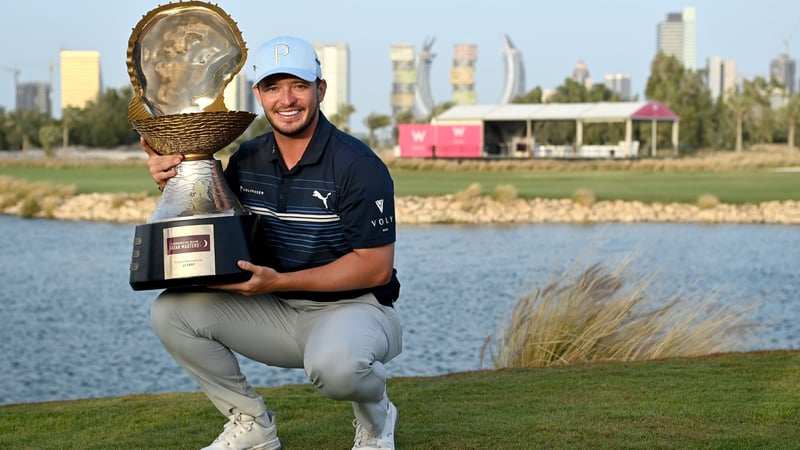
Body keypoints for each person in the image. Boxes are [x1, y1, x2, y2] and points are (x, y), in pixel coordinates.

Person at [142, 35, 403, 450]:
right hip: (278, 312)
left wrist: (275, 282)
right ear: (258, 94)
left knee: (337, 369)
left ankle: (377, 419)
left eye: (299, 85)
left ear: (320, 89)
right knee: (171, 312)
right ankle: (253, 425)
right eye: (273, 87)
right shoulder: (249, 157)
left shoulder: (358, 165)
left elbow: (375, 268)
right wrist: (174, 181)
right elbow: (212, 226)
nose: (287, 99)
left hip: (356, 310)